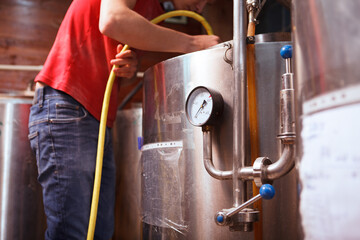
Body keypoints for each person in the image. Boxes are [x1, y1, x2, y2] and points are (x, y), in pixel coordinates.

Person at [28, 0, 220, 239]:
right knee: (72, 233)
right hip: (67, 104)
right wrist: (191, 43)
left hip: (94, 118)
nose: (200, 9)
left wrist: (130, 67)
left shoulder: (153, 9)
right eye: (202, 0)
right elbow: (112, 20)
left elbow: (116, 53)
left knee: (99, 232)